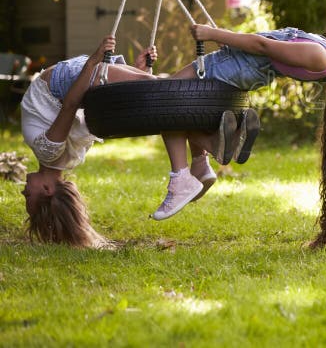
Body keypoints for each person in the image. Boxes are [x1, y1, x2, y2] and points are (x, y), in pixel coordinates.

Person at [167, 24, 326, 247]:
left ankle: (184, 173)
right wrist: (232, 41)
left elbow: (264, 46)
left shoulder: (321, 58)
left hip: (235, 67)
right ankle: (203, 158)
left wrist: (212, 33)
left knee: (167, 97)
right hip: (239, 65)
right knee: (175, 99)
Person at [19, 36, 246, 247]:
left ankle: (208, 146)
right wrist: (123, 72)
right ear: (48, 189)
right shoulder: (61, 157)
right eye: (28, 195)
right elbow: (80, 109)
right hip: (70, 82)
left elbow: (70, 105)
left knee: (162, 92)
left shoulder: (52, 153)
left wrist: (93, 64)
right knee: (160, 96)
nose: (23, 191)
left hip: (67, 83)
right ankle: (203, 157)